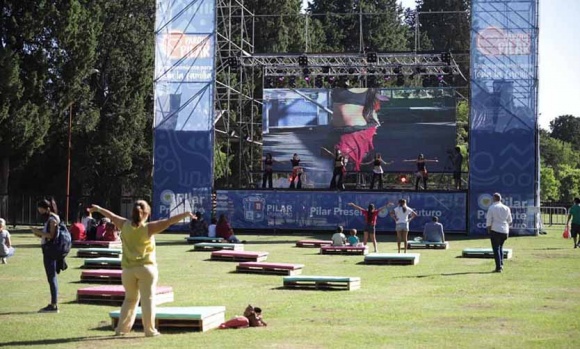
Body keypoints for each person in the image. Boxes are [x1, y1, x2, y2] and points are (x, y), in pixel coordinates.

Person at [88, 200, 195, 337]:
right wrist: (185, 214)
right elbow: (169, 221)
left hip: (128, 271)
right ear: (147, 214)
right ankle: (149, 330)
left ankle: (121, 329)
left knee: (129, 299)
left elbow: (112, 215)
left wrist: (98, 208)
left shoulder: (124, 225)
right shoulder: (149, 228)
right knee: (148, 299)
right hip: (146, 269)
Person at [326, 88, 389, 171]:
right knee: (337, 167)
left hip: (355, 132)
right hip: (336, 131)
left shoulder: (368, 88)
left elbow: (372, 107)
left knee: (347, 166)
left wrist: (375, 121)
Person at [30, 198, 63, 313]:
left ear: (46, 208)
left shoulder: (52, 219)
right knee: (51, 277)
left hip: (50, 251)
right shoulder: (50, 218)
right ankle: (53, 304)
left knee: (52, 277)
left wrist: (38, 232)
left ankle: (54, 305)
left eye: (40, 208)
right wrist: (39, 234)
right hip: (48, 250)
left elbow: (51, 235)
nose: (39, 210)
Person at [486, 193, 512, 273]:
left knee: (496, 248)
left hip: (495, 230)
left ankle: (498, 267)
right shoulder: (506, 208)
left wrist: (489, 229)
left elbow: (489, 220)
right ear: (500, 199)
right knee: (500, 247)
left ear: (494, 199)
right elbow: (510, 220)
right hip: (504, 230)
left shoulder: (492, 207)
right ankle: (501, 264)